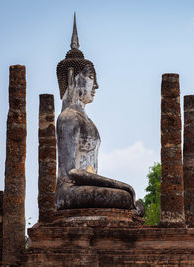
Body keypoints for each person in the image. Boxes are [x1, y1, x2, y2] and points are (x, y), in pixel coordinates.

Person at [55, 15, 143, 216]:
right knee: (124, 196)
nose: (96, 86)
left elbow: (91, 170)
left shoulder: (87, 121)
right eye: (91, 78)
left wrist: (117, 184)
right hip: (69, 192)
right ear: (72, 77)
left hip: (85, 189)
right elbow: (71, 173)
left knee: (127, 197)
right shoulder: (68, 118)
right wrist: (119, 185)